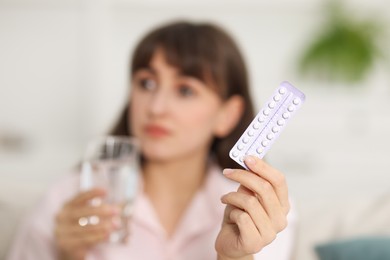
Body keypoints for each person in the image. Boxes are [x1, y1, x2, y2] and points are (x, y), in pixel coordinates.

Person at [7, 20, 296, 260]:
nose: (156, 107)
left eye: (185, 90)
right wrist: (66, 255)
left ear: (228, 115)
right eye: (146, 83)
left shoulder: (258, 211)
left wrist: (235, 258)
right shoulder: (67, 198)